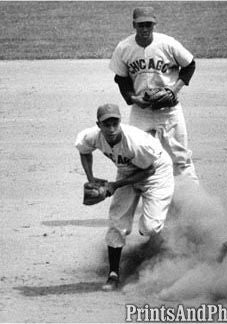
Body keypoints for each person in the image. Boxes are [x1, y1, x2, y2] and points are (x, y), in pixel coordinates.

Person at [75, 103, 174, 291]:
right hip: (127, 171)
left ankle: (166, 242)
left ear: (120, 122)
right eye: (107, 124)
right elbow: (84, 150)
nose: (111, 128)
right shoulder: (92, 136)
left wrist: (114, 186)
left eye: (115, 123)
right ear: (99, 125)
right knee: (117, 222)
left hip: (156, 172)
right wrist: (91, 178)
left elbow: (148, 170)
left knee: (149, 228)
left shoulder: (135, 142)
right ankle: (113, 275)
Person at [109, 6, 198, 183]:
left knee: (180, 159)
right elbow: (121, 78)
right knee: (135, 156)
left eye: (148, 25)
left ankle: (192, 203)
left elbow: (189, 65)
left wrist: (173, 90)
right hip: (141, 112)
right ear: (134, 24)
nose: (144, 29)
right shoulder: (124, 47)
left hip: (169, 111)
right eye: (141, 25)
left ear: (154, 25)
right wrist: (134, 99)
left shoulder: (167, 43)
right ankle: (146, 197)